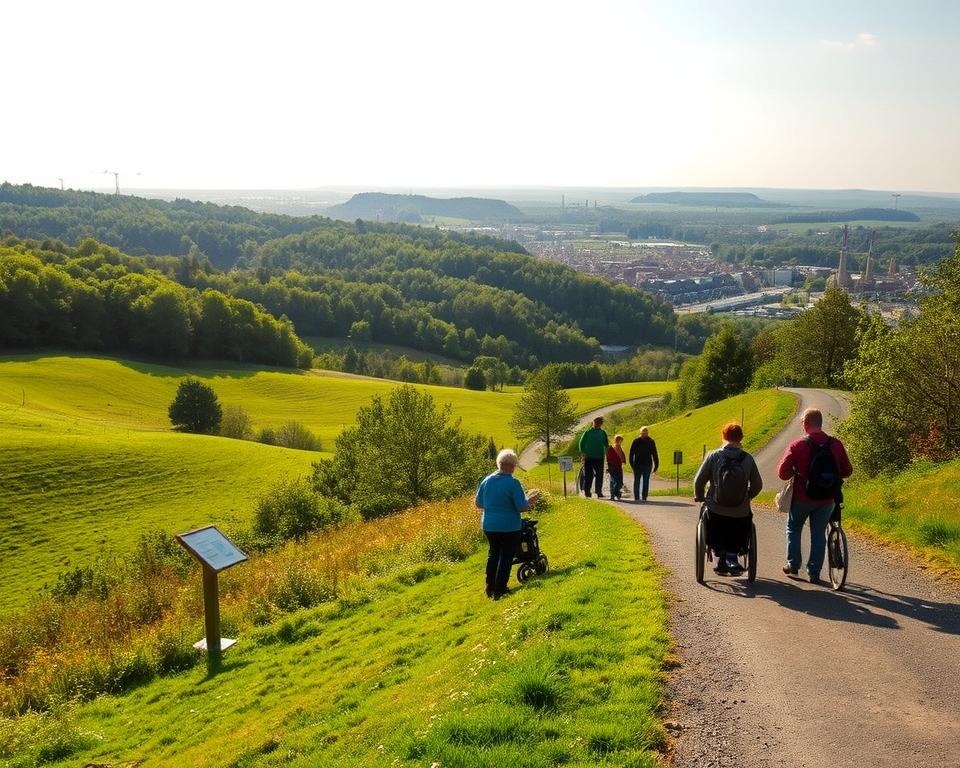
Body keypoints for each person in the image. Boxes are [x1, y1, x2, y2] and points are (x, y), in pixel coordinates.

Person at [776, 407, 853, 583]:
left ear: (806, 423)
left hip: (802, 497)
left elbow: (782, 474)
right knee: (818, 533)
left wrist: (797, 471)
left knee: (794, 527)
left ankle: (793, 564)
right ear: (820, 423)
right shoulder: (836, 444)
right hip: (827, 499)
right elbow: (848, 471)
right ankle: (814, 572)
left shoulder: (798, 445)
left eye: (802, 422)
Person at [693, 423, 763, 575]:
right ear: (741, 438)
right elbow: (758, 485)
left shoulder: (713, 456)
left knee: (711, 518)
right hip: (740, 512)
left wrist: (699, 496)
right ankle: (733, 556)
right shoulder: (748, 459)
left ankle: (722, 556)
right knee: (743, 521)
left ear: (723, 436)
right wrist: (747, 496)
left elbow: (699, 481)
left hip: (715, 509)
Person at [475, 449, 540, 599]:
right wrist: (531, 501)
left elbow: (478, 503)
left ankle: (490, 588)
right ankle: (500, 589)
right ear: (509, 465)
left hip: (489, 525)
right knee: (506, 556)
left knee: (493, 554)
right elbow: (521, 507)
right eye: (514, 465)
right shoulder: (513, 483)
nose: (515, 468)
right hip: (508, 526)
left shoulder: (486, 480)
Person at [578, 416, 609, 498]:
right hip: (589, 457)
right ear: (593, 422)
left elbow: (606, 444)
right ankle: (587, 492)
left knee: (599, 475)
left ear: (600, 424)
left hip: (599, 457)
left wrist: (607, 455)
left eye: (598, 423)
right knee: (588, 475)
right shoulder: (587, 433)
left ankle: (599, 492)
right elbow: (581, 443)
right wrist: (583, 452)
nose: (596, 424)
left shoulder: (602, 433)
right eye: (595, 422)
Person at [628, 426, 659, 503]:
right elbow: (631, 454)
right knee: (637, 480)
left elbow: (654, 454)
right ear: (640, 433)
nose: (645, 434)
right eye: (643, 433)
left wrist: (656, 465)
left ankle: (644, 497)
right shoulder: (636, 441)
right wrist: (632, 464)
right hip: (637, 464)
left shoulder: (651, 441)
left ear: (648, 433)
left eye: (646, 433)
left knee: (646, 481)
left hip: (647, 464)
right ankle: (637, 497)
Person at [606, 434, 627, 500]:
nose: (621, 442)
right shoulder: (615, 448)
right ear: (618, 440)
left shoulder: (618, 447)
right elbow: (614, 457)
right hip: (614, 467)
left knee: (616, 482)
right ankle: (616, 493)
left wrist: (623, 460)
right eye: (621, 441)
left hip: (617, 466)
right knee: (617, 482)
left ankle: (614, 494)